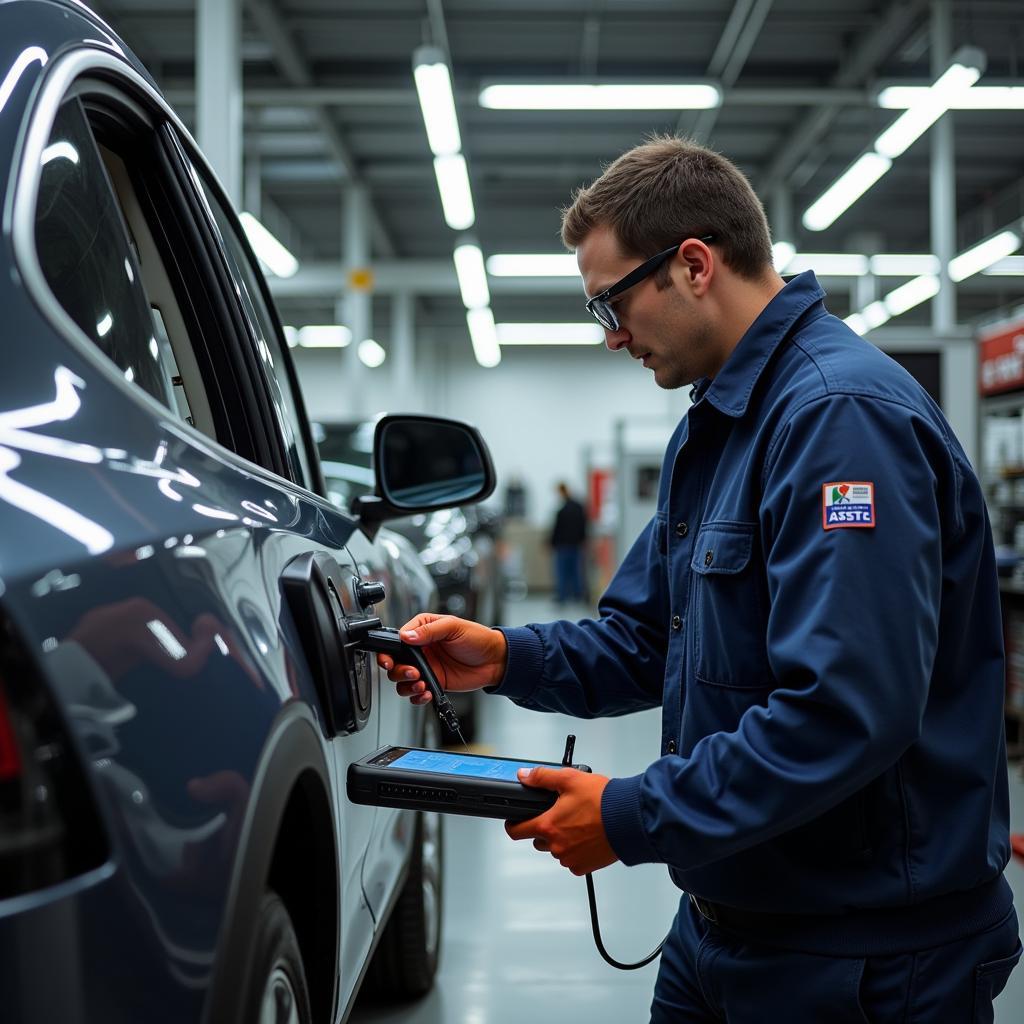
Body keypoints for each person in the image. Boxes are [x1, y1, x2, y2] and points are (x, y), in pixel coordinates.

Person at [376, 136, 1022, 1021]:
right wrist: (498, 658)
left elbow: (843, 713)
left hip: (861, 960)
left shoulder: (839, 420)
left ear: (692, 265)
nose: (612, 339)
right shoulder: (717, 425)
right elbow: (651, 637)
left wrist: (631, 813)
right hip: (723, 928)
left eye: (611, 303)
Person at [550, 481, 588, 604]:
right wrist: (583, 540)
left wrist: (552, 543)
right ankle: (577, 596)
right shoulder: (579, 507)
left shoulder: (562, 510)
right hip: (576, 544)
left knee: (562, 572)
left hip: (562, 545)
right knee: (576, 572)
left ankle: (562, 596)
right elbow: (583, 526)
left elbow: (557, 529)